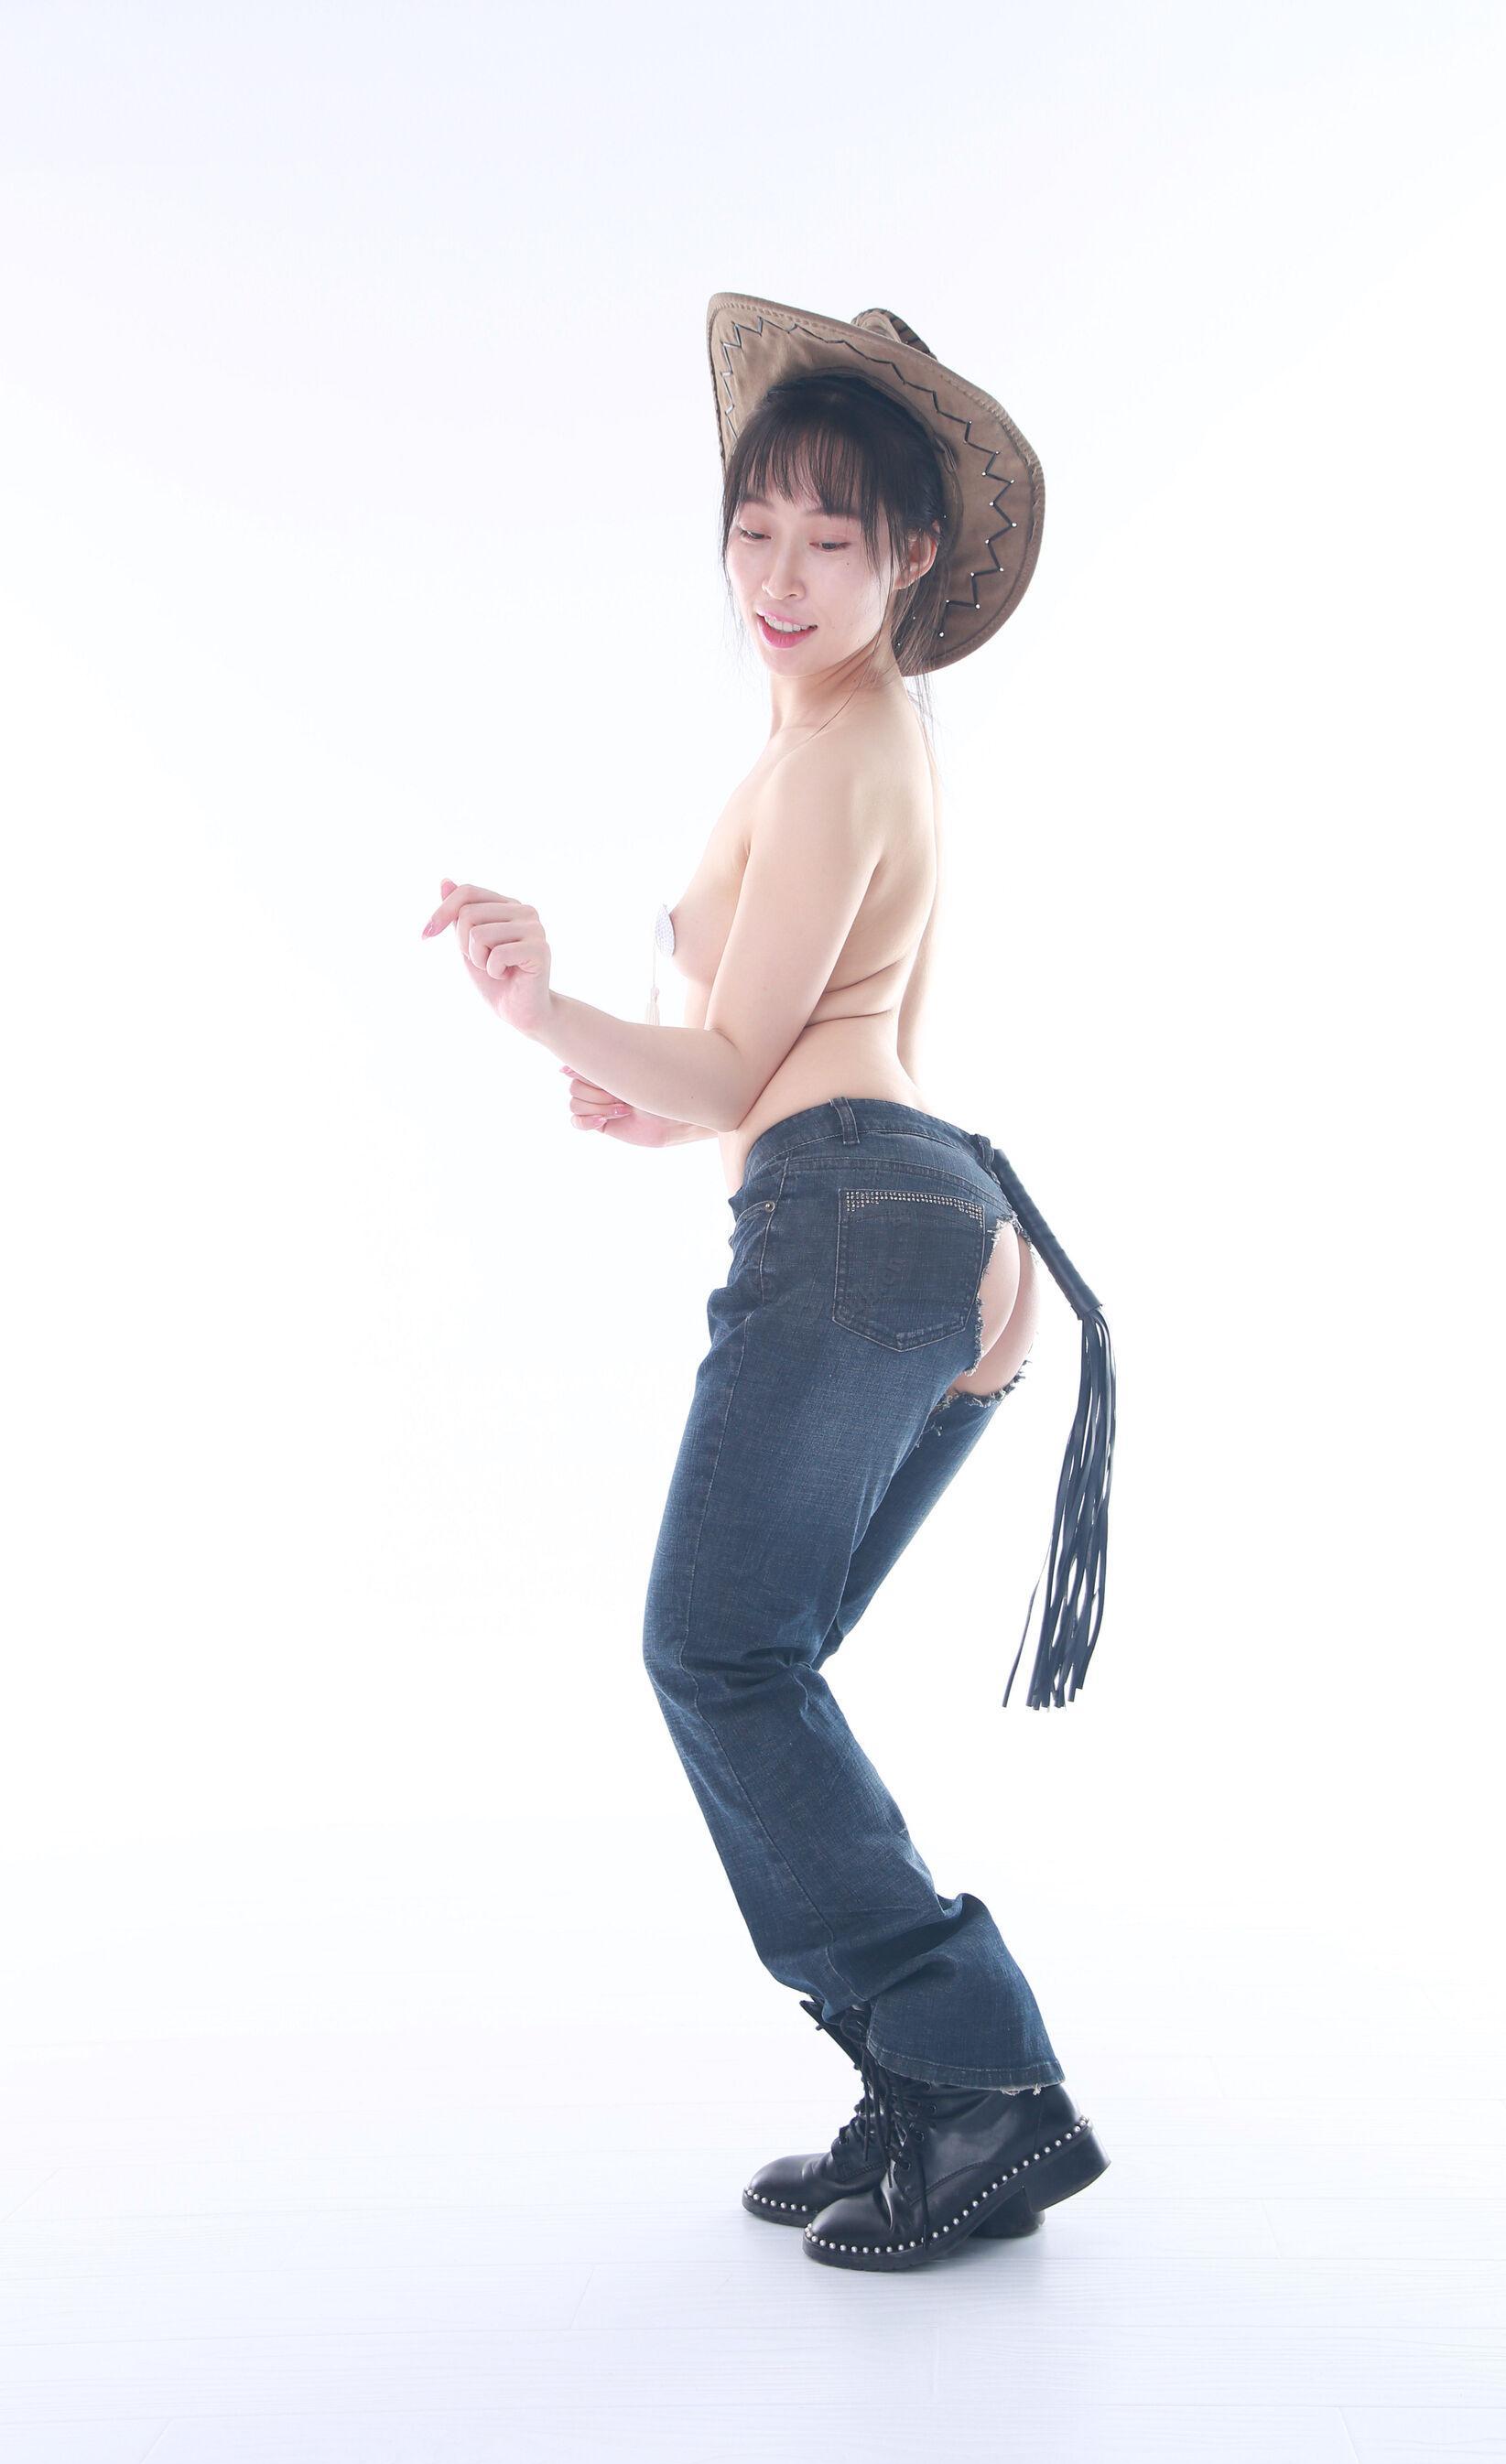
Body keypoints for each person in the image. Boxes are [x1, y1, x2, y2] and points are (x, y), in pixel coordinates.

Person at [421, 295, 1115, 2271]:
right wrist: (656, 1110)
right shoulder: (851, 746)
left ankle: (979, 2082)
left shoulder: (834, 759)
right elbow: (791, 1049)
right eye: (753, 530)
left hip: (857, 1218)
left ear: (912, 558)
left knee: (717, 1659)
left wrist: (545, 1005)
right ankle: (923, 2085)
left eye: (831, 538)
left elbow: (742, 1070)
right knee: (758, 1665)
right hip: (934, 1221)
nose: (781, 578)